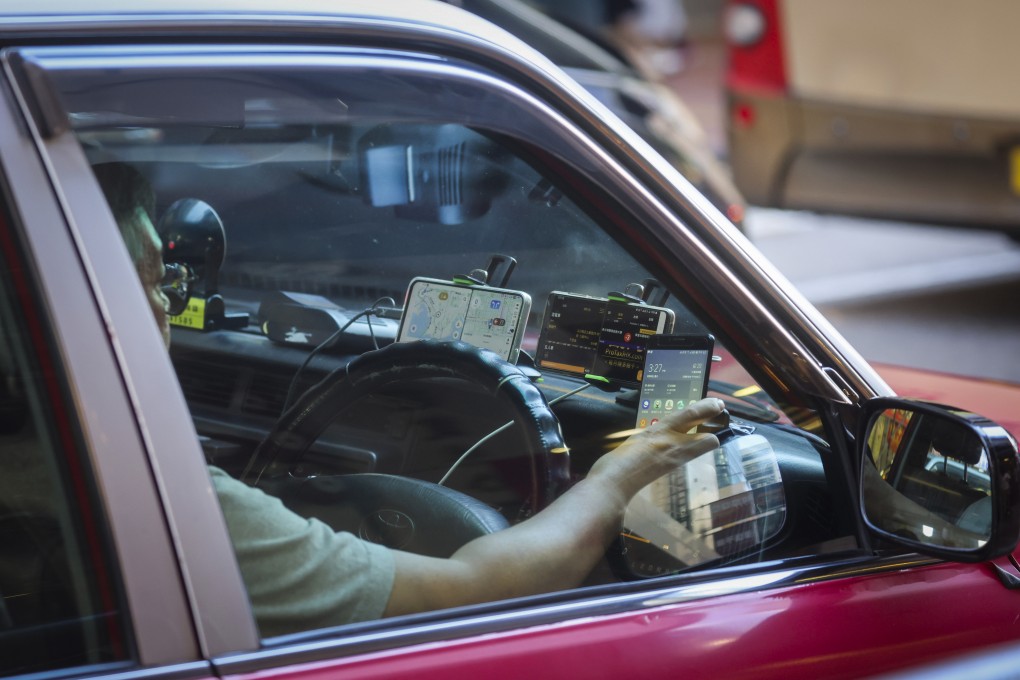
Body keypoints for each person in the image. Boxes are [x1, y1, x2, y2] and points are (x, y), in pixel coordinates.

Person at [93, 162, 725, 636]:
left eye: (170, 279)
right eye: (153, 279)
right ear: (74, 302)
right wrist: (617, 479)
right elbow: (477, 592)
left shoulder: (67, 465)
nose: (169, 303)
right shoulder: (174, 514)